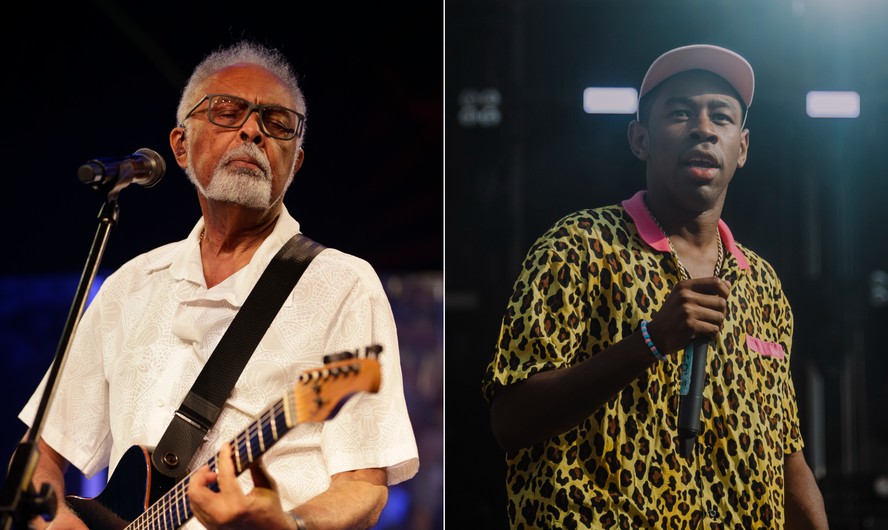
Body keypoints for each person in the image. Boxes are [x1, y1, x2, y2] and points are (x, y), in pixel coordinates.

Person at [15, 40, 419, 530]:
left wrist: (285, 525)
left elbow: (362, 487)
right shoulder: (130, 285)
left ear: (296, 163)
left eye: (277, 122)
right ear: (181, 146)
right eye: (227, 112)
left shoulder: (343, 283)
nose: (252, 130)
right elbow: (41, 454)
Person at [481, 44, 830, 529]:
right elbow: (511, 421)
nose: (704, 129)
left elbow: (786, 456)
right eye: (681, 113)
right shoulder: (579, 246)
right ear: (640, 139)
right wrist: (650, 340)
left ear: (743, 148)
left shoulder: (762, 284)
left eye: (722, 117)